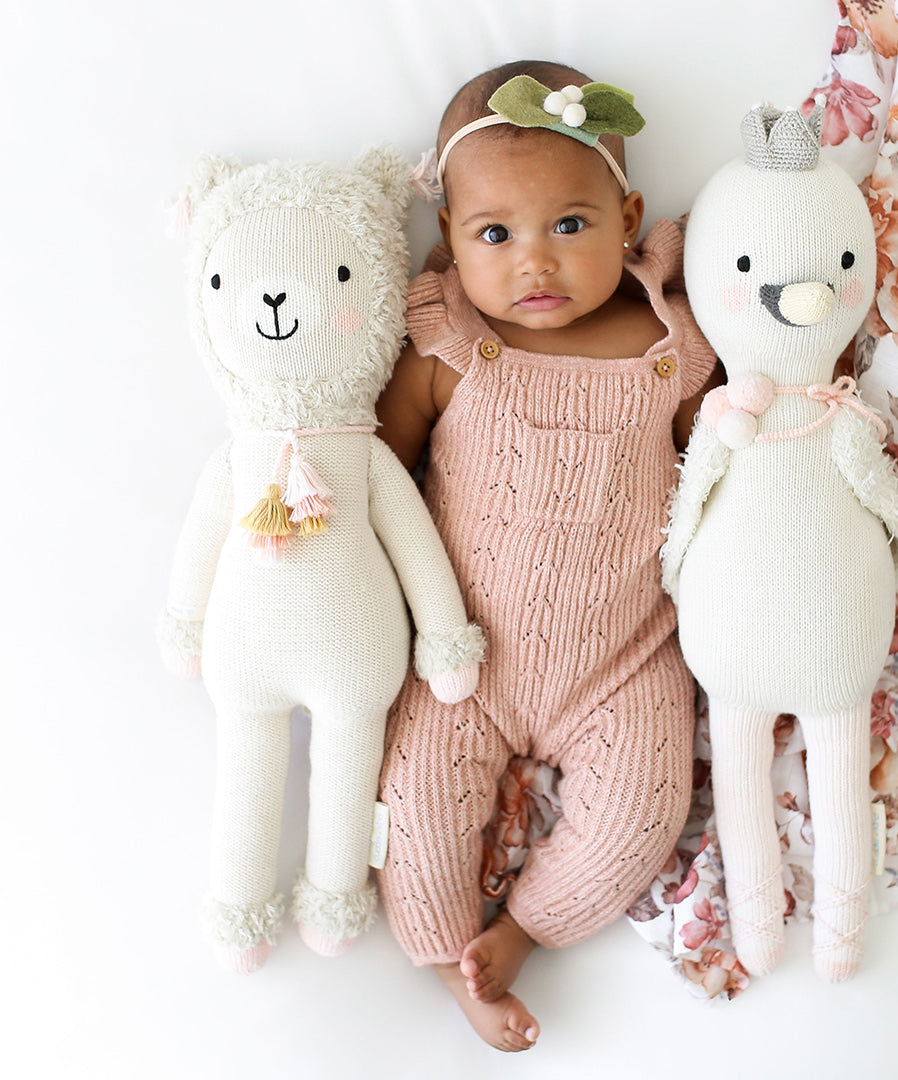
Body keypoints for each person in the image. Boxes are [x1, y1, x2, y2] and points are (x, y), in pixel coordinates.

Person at [375, 59, 720, 1052]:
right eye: (495, 235)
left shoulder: (673, 347)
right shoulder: (448, 348)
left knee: (640, 818)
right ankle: (452, 960)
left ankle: (525, 929)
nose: (535, 264)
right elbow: (381, 471)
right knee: (417, 810)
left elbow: (726, 457)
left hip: (621, 665)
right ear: (448, 240)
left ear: (628, 217)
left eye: (570, 226)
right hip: (461, 663)